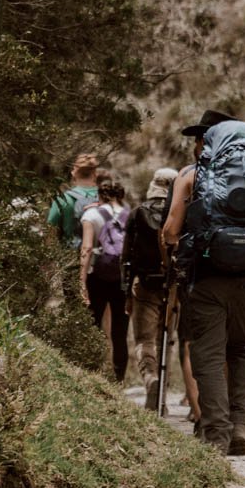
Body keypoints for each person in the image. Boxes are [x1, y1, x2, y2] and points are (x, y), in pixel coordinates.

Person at [163, 110, 245, 457]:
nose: (196, 144)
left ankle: (217, 433)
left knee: (209, 354)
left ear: (208, 141)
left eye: (199, 138)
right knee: (242, 348)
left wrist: (177, 252)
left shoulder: (190, 177)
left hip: (207, 278)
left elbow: (171, 231)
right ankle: (240, 426)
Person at [123, 166, 177, 410]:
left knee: (144, 340)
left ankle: (150, 379)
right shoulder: (181, 214)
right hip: (173, 285)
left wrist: (126, 292)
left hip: (143, 285)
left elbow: (126, 257)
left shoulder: (137, 213)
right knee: (167, 339)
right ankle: (162, 397)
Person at [79, 175, 131, 381]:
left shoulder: (91, 214)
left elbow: (87, 247)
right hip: (122, 277)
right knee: (120, 332)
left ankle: (92, 374)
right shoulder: (130, 214)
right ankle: (119, 381)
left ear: (99, 194)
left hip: (97, 277)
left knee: (93, 326)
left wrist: (81, 280)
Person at [47, 152, 99, 247]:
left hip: (71, 254)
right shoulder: (107, 198)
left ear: (73, 173)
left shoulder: (63, 199)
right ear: (96, 173)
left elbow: (50, 232)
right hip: (102, 256)